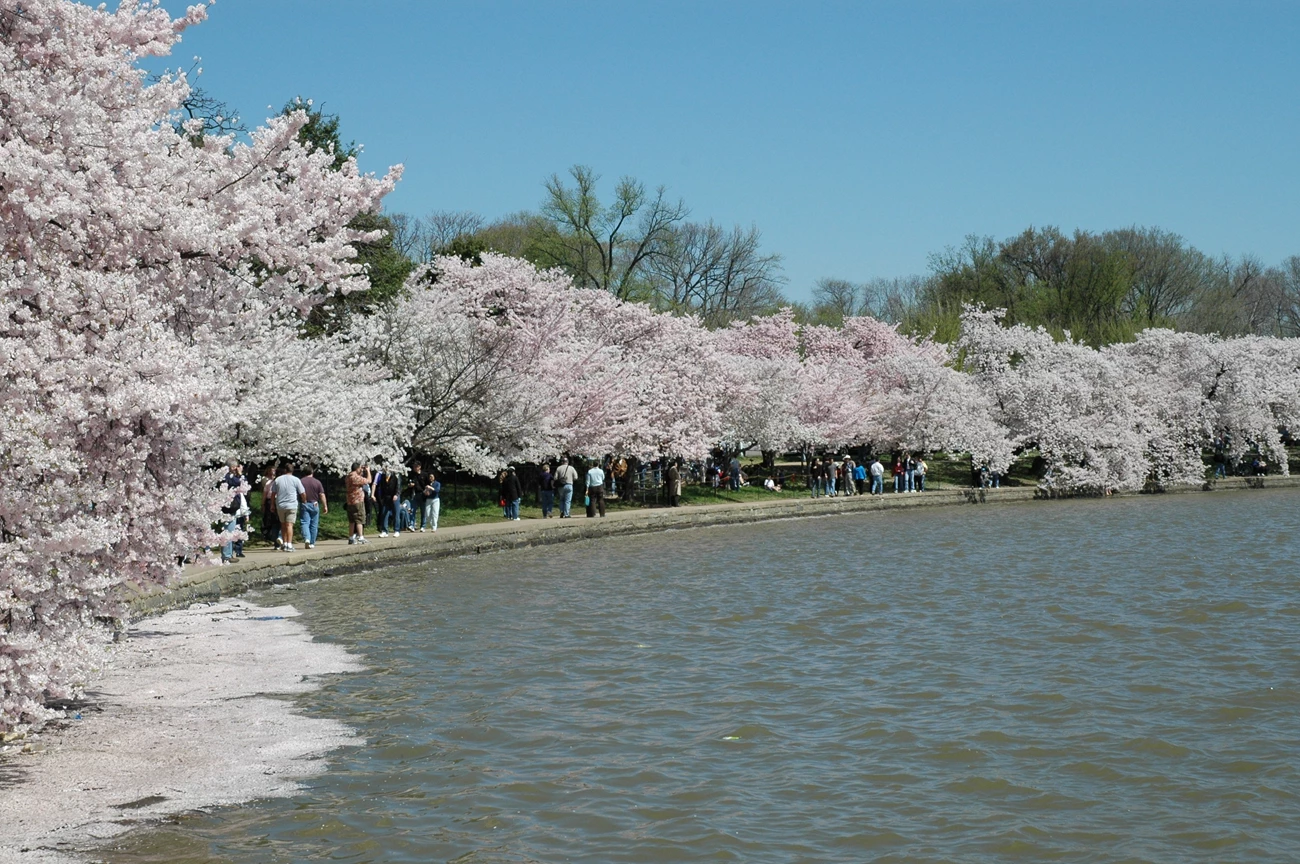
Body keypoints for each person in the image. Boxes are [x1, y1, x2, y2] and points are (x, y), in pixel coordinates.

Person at [270, 462, 306, 552]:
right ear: (292, 470)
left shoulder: (278, 480)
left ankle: (284, 543)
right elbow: (302, 492)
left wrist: (272, 504)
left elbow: (273, 493)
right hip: (292, 504)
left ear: (285, 470)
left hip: (281, 505)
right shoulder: (296, 480)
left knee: (283, 524)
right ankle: (289, 544)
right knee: (289, 524)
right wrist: (304, 500)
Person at [223, 460, 249, 558]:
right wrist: (240, 474)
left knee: (231, 531)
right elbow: (243, 485)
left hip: (231, 507)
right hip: (229, 507)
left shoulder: (229, 477)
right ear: (233, 467)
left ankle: (228, 554)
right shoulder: (228, 477)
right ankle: (227, 555)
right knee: (229, 532)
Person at [299, 464, 327, 549]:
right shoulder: (317, 482)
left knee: (305, 522)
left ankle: (307, 538)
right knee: (314, 524)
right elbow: (321, 494)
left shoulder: (301, 481)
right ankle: (312, 542)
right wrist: (325, 505)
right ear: (312, 472)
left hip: (304, 503)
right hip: (314, 504)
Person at [344, 462, 371, 545]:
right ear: (357, 469)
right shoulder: (355, 477)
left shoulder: (348, 477)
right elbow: (369, 480)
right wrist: (368, 471)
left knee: (352, 520)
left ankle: (351, 538)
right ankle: (361, 537)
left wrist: (362, 471)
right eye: (360, 468)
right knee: (359, 519)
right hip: (358, 501)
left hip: (350, 501)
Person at [375, 464, 401, 537]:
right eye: (385, 468)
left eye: (388, 468)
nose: (387, 470)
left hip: (394, 496)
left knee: (396, 513)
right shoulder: (383, 477)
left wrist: (396, 494)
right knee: (384, 513)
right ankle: (384, 530)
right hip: (386, 497)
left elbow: (398, 486)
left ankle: (397, 530)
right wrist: (381, 498)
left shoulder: (396, 476)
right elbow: (381, 487)